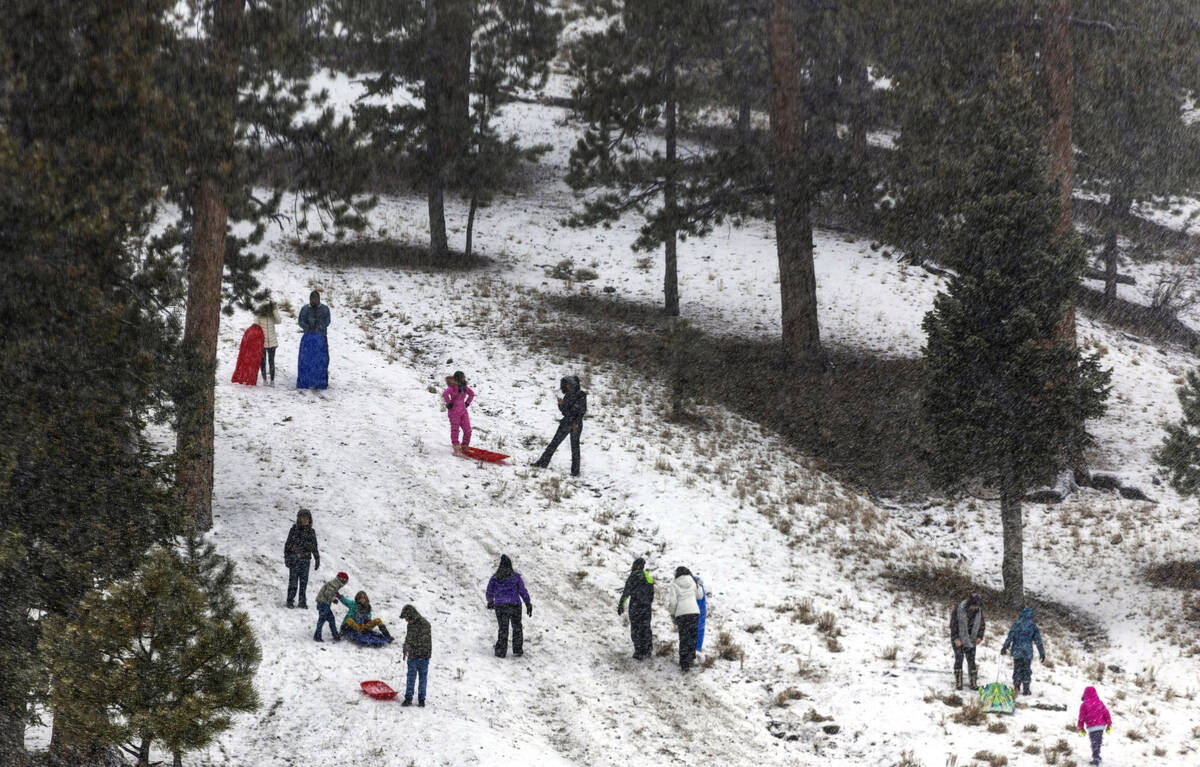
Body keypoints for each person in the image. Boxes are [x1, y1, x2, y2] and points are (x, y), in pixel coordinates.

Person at [532, 375, 587, 476]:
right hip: (567, 422)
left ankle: (575, 472)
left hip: (575, 424)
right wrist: (561, 404)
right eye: (565, 384)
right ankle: (542, 463)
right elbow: (565, 412)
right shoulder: (568, 395)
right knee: (554, 444)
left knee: (574, 448)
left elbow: (580, 411)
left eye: (567, 384)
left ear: (573, 384)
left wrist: (572, 418)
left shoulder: (581, 395)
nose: (566, 386)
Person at [485, 554, 533, 658]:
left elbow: (489, 591)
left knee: (503, 628)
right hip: (515, 605)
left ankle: (501, 651)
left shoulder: (495, 578)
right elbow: (522, 591)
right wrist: (528, 603)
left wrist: (490, 601)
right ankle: (517, 649)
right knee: (517, 627)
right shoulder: (516, 577)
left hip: (501, 606)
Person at [1000, 606, 1046, 696]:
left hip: (1017, 651)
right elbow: (1038, 641)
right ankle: (1026, 688)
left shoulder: (1017, 624)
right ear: (1031, 615)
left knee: (1017, 668)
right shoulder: (1032, 626)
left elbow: (1010, 637)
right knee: (1026, 669)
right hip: (1027, 652)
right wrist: (1042, 653)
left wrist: (1005, 647)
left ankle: (1017, 684)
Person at [617, 557, 654, 660]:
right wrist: (648, 603)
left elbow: (626, 593)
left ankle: (639, 651)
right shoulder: (648, 577)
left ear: (635, 566)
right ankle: (648, 649)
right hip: (646, 608)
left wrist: (621, 605)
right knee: (646, 628)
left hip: (635, 607)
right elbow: (652, 594)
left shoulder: (632, 577)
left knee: (636, 629)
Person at [667, 566, 703, 672]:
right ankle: (691, 658)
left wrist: (672, 614)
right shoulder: (693, 581)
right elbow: (700, 596)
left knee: (683, 638)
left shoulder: (674, 584)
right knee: (693, 637)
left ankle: (684, 663)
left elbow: (673, 602)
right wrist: (699, 585)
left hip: (681, 614)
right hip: (694, 612)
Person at [283, 509, 319, 608]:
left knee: (304, 583)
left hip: (306, 560)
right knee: (293, 582)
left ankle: (302, 602)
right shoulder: (294, 530)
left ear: (309, 519)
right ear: (299, 519)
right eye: (303, 518)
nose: (305, 520)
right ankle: (290, 600)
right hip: (294, 560)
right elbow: (287, 544)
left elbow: (314, 546)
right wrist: (287, 557)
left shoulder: (311, 532)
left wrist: (317, 558)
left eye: (307, 518)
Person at [296, 290, 331, 390]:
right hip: (308, 338)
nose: (314, 300)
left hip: (321, 337)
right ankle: (307, 379)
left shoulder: (325, 309)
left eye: (315, 298)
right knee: (307, 359)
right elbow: (300, 321)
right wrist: (308, 328)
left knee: (322, 359)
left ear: (319, 299)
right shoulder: (305, 309)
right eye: (312, 299)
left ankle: (322, 380)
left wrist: (319, 327)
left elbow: (327, 321)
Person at [400, 604, 432, 707]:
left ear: (411, 616)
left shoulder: (424, 624)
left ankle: (421, 699)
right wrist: (405, 648)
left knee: (422, 678)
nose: (406, 621)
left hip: (423, 656)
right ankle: (408, 698)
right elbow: (408, 638)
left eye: (407, 618)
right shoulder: (410, 625)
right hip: (412, 656)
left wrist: (412, 646)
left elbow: (423, 641)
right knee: (410, 677)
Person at [441, 371, 475, 456]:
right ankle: (456, 449)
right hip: (454, 412)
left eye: (464, 377)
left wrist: (467, 403)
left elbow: (472, 394)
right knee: (455, 430)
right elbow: (445, 394)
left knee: (468, 430)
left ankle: (465, 446)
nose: (464, 379)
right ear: (458, 378)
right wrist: (449, 403)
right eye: (462, 377)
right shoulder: (452, 387)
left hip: (463, 411)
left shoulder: (464, 387)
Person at [1076, 685, 1113, 765]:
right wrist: (1109, 724)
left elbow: (1081, 717)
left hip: (1092, 727)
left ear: (1084, 694)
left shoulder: (1084, 705)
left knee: (1094, 742)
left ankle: (1096, 757)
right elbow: (1106, 713)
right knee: (1098, 741)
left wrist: (1081, 728)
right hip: (1100, 726)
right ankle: (1097, 755)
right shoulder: (1099, 702)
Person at [314, 571, 348, 642]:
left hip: (323, 603)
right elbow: (328, 593)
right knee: (323, 620)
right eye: (345, 582)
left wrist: (336, 594)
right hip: (323, 604)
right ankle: (318, 636)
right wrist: (333, 599)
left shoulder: (335, 584)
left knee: (329, 619)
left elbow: (331, 592)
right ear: (342, 580)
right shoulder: (334, 585)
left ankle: (334, 635)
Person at [255, 301, 282, 385]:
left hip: (272, 342)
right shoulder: (259, 315)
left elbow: (279, 321)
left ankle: (272, 380)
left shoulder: (272, 316)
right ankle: (264, 380)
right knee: (262, 362)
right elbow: (255, 324)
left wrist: (274, 310)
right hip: (262, 342)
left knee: (271, 361)